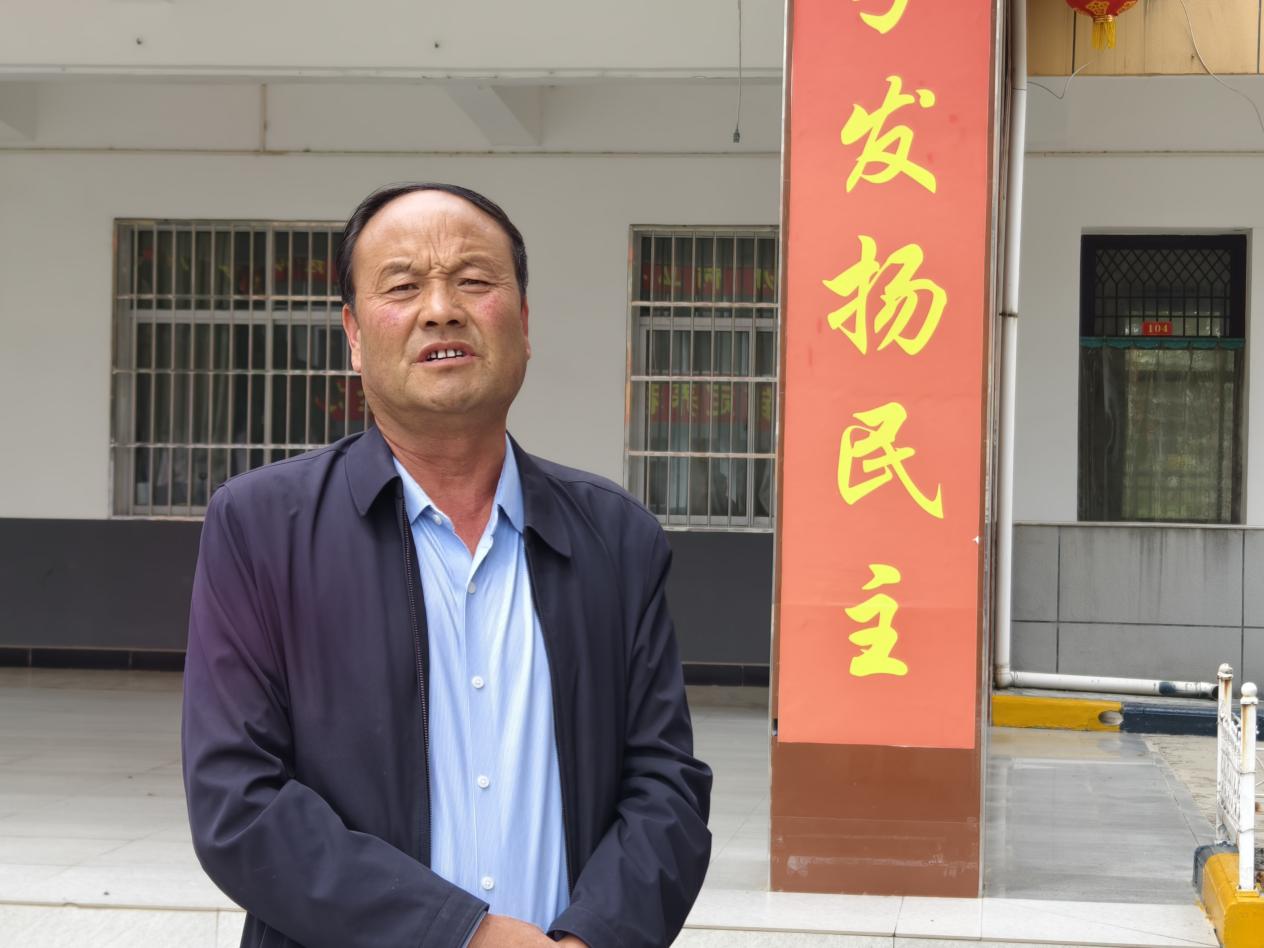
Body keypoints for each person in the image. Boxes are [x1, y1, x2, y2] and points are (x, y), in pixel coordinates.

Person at [182, 183, 713, 948]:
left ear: (523, 324)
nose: (440, 310)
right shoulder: (263, 527)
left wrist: (594, 937)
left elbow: (666, 784)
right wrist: (463, 936)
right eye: (402, 286)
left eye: (473, 280)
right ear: (354, 334)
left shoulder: (615, 538)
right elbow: (238, 801)